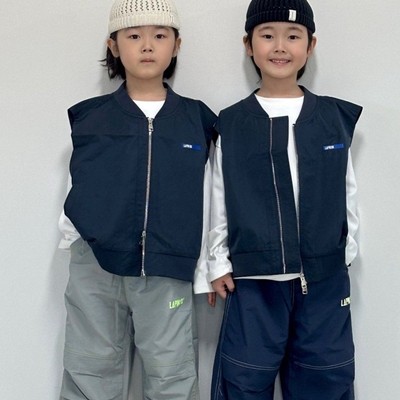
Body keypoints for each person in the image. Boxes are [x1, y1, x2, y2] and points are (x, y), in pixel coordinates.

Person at [200, 0, 362, 399]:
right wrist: (216, 261)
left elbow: (346, 190)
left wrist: (345, 252)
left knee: (325, 379)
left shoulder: (332, 117)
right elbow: (218, 194)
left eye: (293, 36)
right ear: (248, 44)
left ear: (310, 46)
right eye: (267, 35)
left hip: (323, 281)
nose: (280, 46)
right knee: (244, 380)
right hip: (254, 282)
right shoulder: (232, 122)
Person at [58, 0, 216, 399]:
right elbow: (80, 182)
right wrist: (75, 238)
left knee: (172, 375)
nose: (147, 45)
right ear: (114, 46)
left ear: (176, 45)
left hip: (168, 267)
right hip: (96, 266)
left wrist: (211, 262)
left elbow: (212, 193)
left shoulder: (198, 120)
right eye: (133, 36)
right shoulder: (89, 117)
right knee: (90, 370)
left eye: (159, 35)